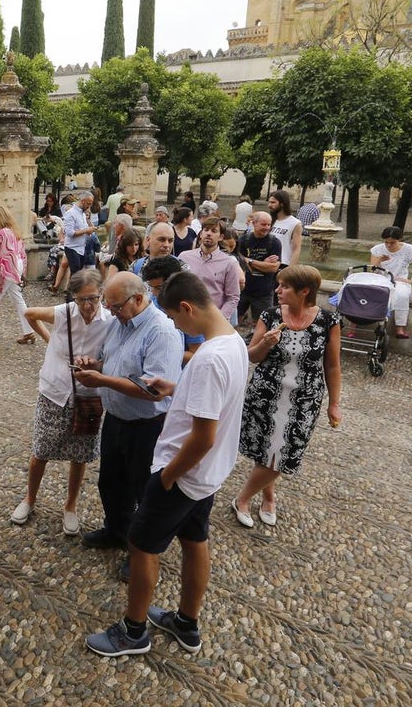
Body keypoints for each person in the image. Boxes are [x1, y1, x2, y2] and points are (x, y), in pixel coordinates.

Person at [85, 272, 248, 658]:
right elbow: (212, 403)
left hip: (183, 472)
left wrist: (169, 477)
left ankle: (133, 631)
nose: (175, 326)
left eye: (176, 317)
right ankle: (187, 622)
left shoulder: (208, 358)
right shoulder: (234, 343)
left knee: (142, 546)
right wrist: (177, 387)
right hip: (207, 475)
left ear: (188, 308)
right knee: (195, 542)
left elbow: (204, 436)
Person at [72, 272, 183, 582]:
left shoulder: (162, 332)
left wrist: (103, 380)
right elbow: (110, 362)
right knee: (111, 482)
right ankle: (118, 531)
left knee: (145, 491)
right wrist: (92, 365)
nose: (112, 312)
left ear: (138, 298)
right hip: (117, 418)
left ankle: (143, 554)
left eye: (116, 306)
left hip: (148, 425)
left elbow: (153, 389)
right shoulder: (119, 323)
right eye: (109, 306)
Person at [229, 265, 342, 529]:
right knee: (266, 449)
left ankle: (242, 498)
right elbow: (251, 356)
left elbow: (333, 365)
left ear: (305, 292)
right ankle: (268, 496)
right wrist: (265, 344)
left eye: (284, 286)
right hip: (265, 393)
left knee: (285, 451)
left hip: (305, 399)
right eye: (278, 285)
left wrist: (335, 404)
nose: (277, 290)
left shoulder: (328, 321)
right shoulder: (269, 315)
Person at [11, 269, 113, 535]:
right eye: (81, 299)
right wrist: (49, 340)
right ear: (73, 298)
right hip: (55, 389)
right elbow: (29, 313)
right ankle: (29, 499)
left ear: (102, 294)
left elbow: (114, 355)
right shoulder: (64, 312)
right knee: (41, 449)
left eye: (93, 298)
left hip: (88, 394)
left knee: (79, 454)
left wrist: (97, 365)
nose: (88, 305)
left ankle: (70, 506)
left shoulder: (110, 320)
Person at [0, 205, 35, 344]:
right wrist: (20, 273)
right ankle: (29, 330)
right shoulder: (13, 231)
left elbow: (7, 255)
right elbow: (19, 253)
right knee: (18, 299)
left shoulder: (3, 233)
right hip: (14, 266)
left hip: (7, 267)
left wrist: (0, 276)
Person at [370, 226, 412, 339]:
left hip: (399, 279)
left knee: (402, 295)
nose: (388, 245)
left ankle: (400, 327)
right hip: (381, 278)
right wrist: (379, 260)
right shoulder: (377, 249)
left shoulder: (408, 249)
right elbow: (372, 269)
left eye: (392, 242)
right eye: (386, 242)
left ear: (399, 240)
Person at [178, 216, 240, 321]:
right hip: (185, 317)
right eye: (206, 230)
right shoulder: (184, 257)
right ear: (201, 234)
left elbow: (233, 297)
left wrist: (220, 318)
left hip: (212, 320)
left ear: (221, 237)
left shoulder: (228, 263)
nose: (209, 233)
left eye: (214, 231)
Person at [236, 212, 282, 326]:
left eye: (269, 224)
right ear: (254, 223)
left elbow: (273, 267)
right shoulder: (243, 240)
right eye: (263, 224)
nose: (266, 228)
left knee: (263, 323)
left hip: (263, 291)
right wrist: (263, 264)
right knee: (235, 319)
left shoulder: (274, 242)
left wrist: (250, 261)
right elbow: (238, 262)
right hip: (243, 289)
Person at [51, 191, 97, 293]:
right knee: (76, 273)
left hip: (81, 247)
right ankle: (72, 296)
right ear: (83, 201)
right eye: (88, 203)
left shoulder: (82, 214)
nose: (89, 206)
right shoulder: (71, 213)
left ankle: (73, 294)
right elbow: (70, 233)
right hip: (72, 247)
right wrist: (86, 230)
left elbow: (82, 228)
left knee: (78, 273)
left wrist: (89, 230)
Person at [268, 190, 302, 266]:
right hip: (266, 263)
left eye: (273, 202)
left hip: (283, 263)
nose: (269, 205)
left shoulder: (295, 223)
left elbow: (296, 248)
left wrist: (291, 268)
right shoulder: (269, 221)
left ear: (282, 204)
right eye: (269, 202)